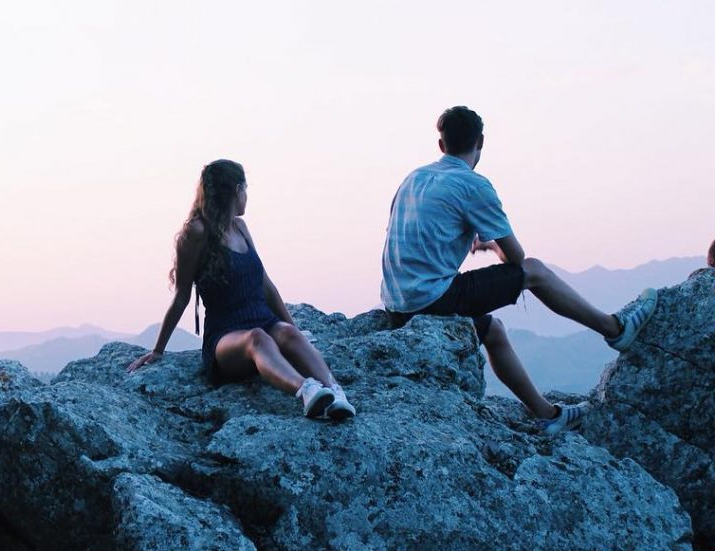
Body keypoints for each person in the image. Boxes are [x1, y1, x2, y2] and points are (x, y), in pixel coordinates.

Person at [381, 106, 658, 435]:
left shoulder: (415, 178)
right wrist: (494, 246)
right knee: (535, 271)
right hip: (431, 298)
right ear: (480, 142)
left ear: (441, 145)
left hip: (396, 304)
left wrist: (483, 244)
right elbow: (517, 258)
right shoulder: (473, 185)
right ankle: (616, 329)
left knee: (493, 332)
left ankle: (548, 415)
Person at [127, 159, 355, 419]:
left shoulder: (241, 228)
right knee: (256, 338)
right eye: (246, 189)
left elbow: (265, 284)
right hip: (226, 337)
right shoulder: (197, 232)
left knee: (287, 333)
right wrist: (158, 350)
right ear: (237, 190)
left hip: (262, 319)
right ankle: (306, 391)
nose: (247, 196)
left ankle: (336, 394)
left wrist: (293, 328)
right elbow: (181, 296)